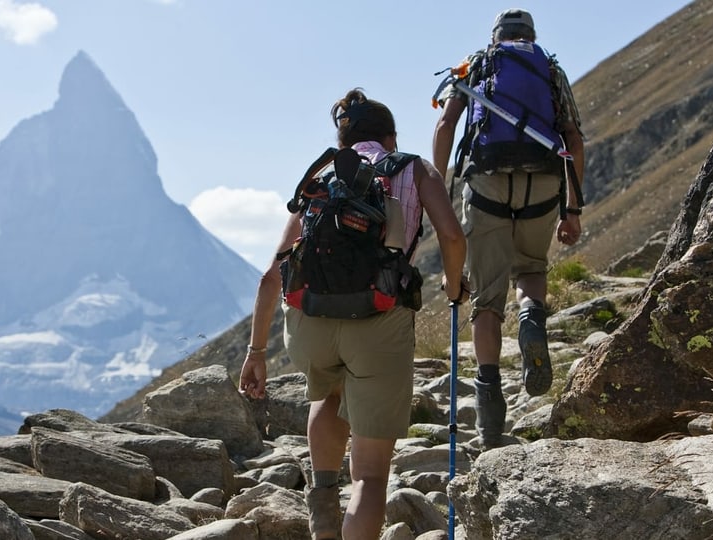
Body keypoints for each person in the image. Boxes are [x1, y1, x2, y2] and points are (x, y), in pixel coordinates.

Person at [240, 88, 467, 540]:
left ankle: (323, 510)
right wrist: (455, 284)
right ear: (391, 136)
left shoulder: (322, 176)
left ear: (343, 142)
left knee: (326, 394)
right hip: (379, 322)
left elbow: (273, 274)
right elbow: (454, 238)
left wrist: (256, 351)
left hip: (310, 325)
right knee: (370, 478)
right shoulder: (414, 168)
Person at [432, 8, 585, 449]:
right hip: (543, 178)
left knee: (486, 298)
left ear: (496, 36)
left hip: (487, 182)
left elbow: (445, 125)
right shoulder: (550, 69)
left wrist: (440, 187)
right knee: (531, 269)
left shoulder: (479, 64)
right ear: (531, 36)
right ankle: (532, 317)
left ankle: (490, 414)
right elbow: (573, 138)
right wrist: (572, 209)